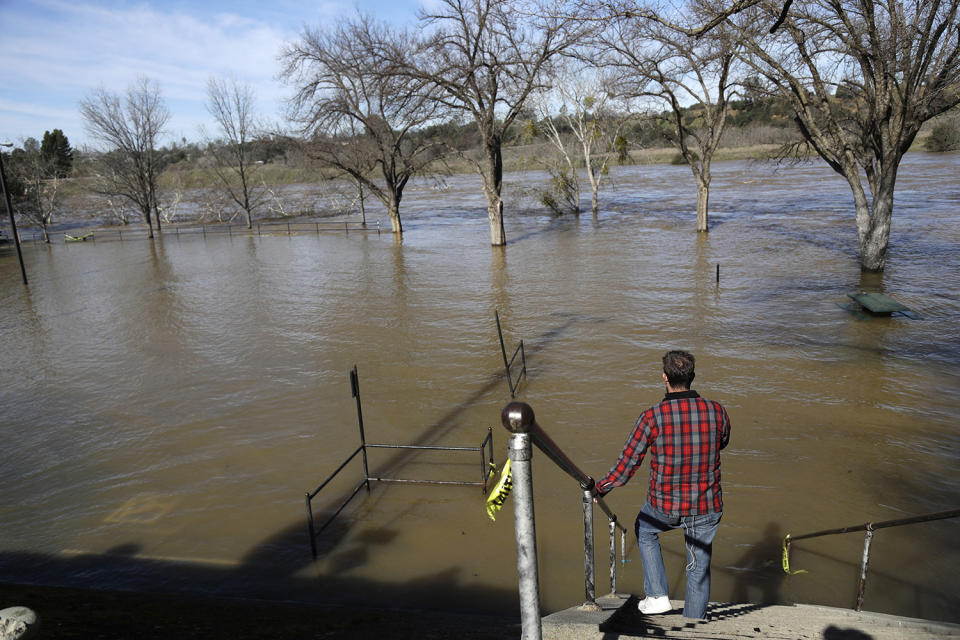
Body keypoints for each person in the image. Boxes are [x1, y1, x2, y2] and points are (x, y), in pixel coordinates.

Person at [595, 350, 730, 620]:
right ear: (692, 377)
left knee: (645, 530)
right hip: (706, 505)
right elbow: (723, 442)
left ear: (664, 377)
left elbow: (626, 465)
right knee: (698, 567)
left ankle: (657, 595)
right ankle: (695, 625)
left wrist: (600, 488)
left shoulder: (651, 417)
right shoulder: (717, 411)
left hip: (664, 503)